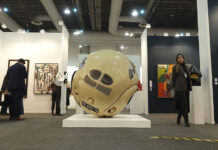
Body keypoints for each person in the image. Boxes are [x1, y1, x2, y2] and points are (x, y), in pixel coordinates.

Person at [171, 53, 192, 127]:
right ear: (177, 59)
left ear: (184, 59)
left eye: (181, 57)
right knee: (184, 105)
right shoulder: (175, 67)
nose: (180, 58)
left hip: (186, 88)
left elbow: (187, 77)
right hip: (179, 88)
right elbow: (173, 78)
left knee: (183, 104)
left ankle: (178, 118)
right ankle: (186, 121)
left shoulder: (186, 67)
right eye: (178, 57)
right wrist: (174, 87)